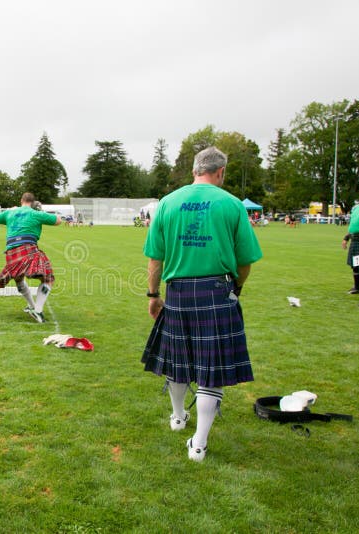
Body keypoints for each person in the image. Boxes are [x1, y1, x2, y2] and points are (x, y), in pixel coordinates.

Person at [142, 147, 262, 462]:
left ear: (195, 170)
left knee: (179, 362)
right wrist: (236, 287)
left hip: (178, 291)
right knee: (211, 370)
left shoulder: (167, 203)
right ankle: (199, 444)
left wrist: (153, 295)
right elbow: (245, 260)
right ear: (220, 172)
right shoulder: (232, 204)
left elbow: (155, 257)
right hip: (217, 290)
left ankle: (178, 417)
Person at [0, 192, 60, 323]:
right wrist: (41, 213)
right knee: (48, 278)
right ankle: (37, 310)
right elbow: (58, 221)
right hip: (28, 248)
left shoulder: (9, 212)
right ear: (32, 202)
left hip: (11, 252)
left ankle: (32, 307)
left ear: (21, 201)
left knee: (18, 278)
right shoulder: (36, 213)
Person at [341, 195, 359, 294]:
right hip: (354, 239)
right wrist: (346, 237)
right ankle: (357, 287)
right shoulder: (356, 208)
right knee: (355, 264)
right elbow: (353, 224)